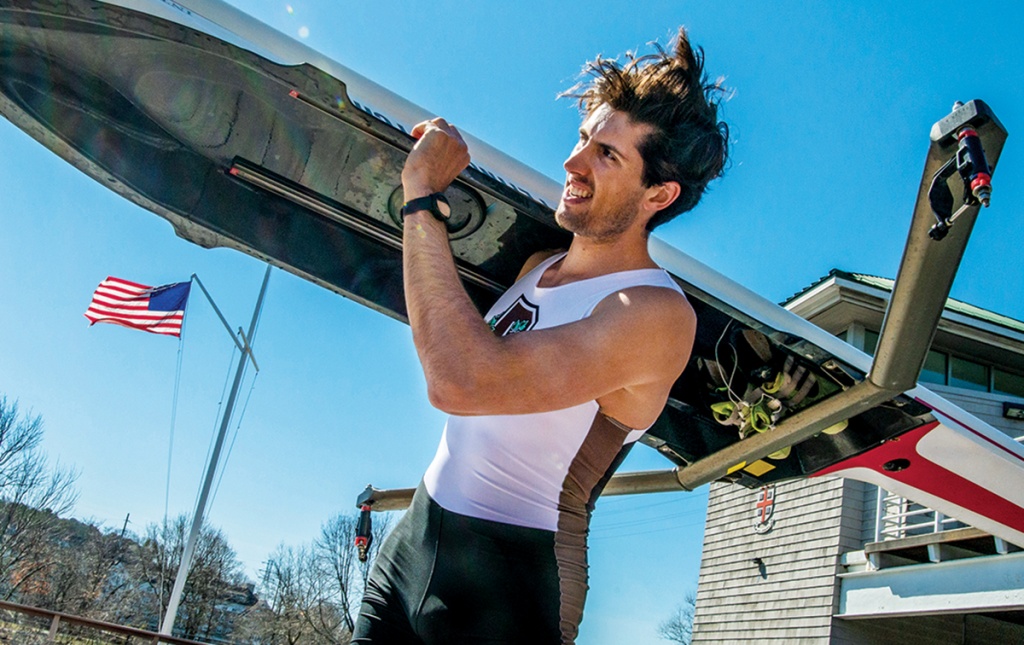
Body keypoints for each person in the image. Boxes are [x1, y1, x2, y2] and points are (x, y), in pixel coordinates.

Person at [352, 26, 729, 645]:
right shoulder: (538, 267)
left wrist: (421, 199)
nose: (573, 163)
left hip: (514, 580)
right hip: (414, 539)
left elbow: (459, 382)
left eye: (607, 155)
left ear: (658, 194)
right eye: (584, 139)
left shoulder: (653, 314)